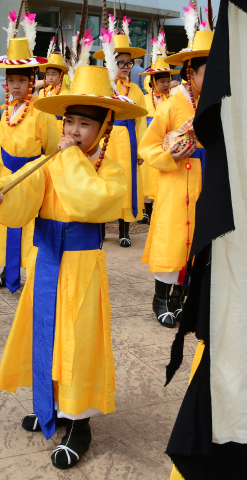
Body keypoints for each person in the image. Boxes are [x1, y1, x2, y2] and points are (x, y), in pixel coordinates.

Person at [0, 58, 146, 470]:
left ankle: (78, 423)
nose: (73, 131)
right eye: (69, 121)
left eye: (85, 124)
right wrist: (1, 190)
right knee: (44, 337)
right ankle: (48, 405)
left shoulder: (110, 170)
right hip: (47, 261)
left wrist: (67, 157)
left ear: (105, 128)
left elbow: (88, 200)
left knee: (76, 344)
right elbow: (28, 194)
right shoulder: (52, 161)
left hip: (82, 267)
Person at [139, 19, 212, 329]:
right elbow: (147, 147)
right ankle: (159, 297)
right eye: (208, 73)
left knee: (195, 240)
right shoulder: (170, 107)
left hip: (205, 180)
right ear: (190, 72)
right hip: (174, 182)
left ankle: (178, 299)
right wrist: (169, 156)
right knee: (171, 238)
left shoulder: (216, 104)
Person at [0, 26, 59, 291]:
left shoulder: (41, 112)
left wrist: (43, 177)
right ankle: (7, 271)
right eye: (11, 81)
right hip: (5, 176)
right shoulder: (6, 110)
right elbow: (2, 144)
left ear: (31, 81)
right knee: (5, 224)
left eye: (21, 81)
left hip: (30, 176)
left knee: (30, 227)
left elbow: (50, 149)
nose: (15, 86)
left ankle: (34, 274)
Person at [94, 19, 148, 247]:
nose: (126, 68)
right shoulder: (103, 85)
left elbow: (141, 120)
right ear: (110, 62)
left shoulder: (136, 89)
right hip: (106, 138)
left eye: (130, 63)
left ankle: (124, 231)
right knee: (103, 181)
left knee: (126, 183)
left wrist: (141, 148)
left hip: (127, 140)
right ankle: (100, 228)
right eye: (121, 63)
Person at [136, 33, 177, 225]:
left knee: (161, 176)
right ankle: (146, 210)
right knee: (146, 176)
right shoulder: (144, 100)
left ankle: (160, 209)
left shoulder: (174, 101)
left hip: (166, 142)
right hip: (148, 142)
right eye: (162, 82)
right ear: (152, 83)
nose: (166, 84)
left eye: (168, 81)